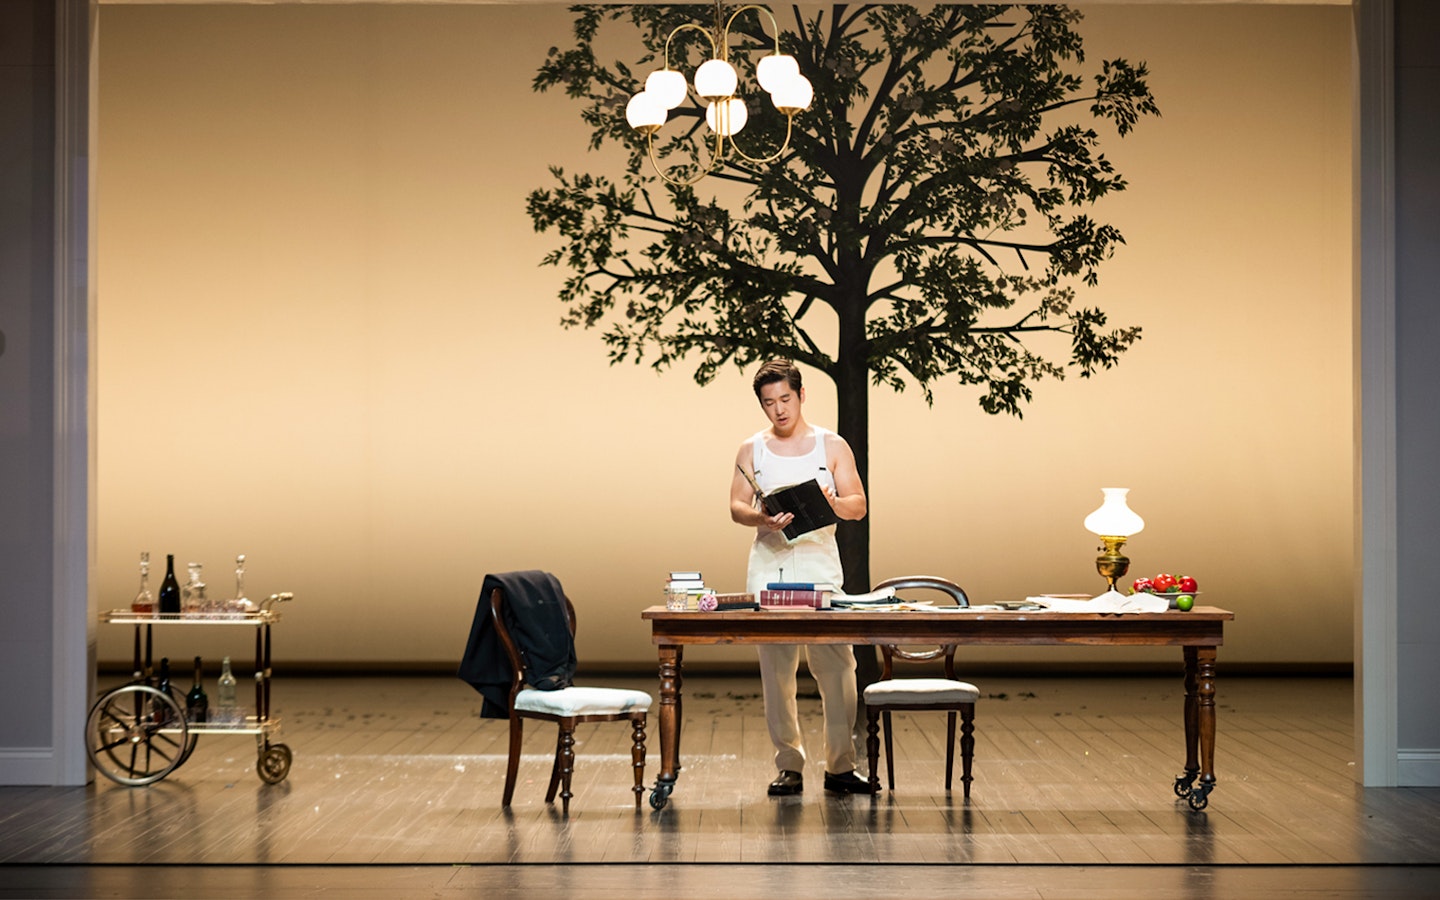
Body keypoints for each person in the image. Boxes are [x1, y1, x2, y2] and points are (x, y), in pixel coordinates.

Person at [729, 359, 876, 796]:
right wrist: (761, 517)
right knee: (776, 671)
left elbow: (858, 504)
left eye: (785, 399)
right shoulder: (751, 449)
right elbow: (736, 506)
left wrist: (833, 502)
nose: (779, 410)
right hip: (770, 564)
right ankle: (789, 764)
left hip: (818, 565)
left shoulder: (831, 445)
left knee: (838, 666)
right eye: (769, 402)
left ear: (801, 395)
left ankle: (841, 765)